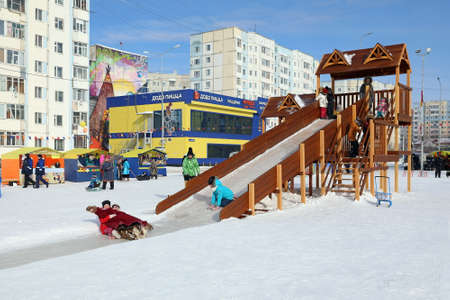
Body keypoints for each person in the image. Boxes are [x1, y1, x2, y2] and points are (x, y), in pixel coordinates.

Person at [86, 202, 153, 240]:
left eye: (107, 205)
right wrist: (95, 210)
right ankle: (126, 232)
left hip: (122, 220)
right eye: (105, 205)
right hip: (114, 223)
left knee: (129, 219)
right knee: (119, 225)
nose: (106, 206)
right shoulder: (105, 211)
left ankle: (137, 228)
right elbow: (100, 214)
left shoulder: (118, 212)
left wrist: (144, 223)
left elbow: (129, 216)